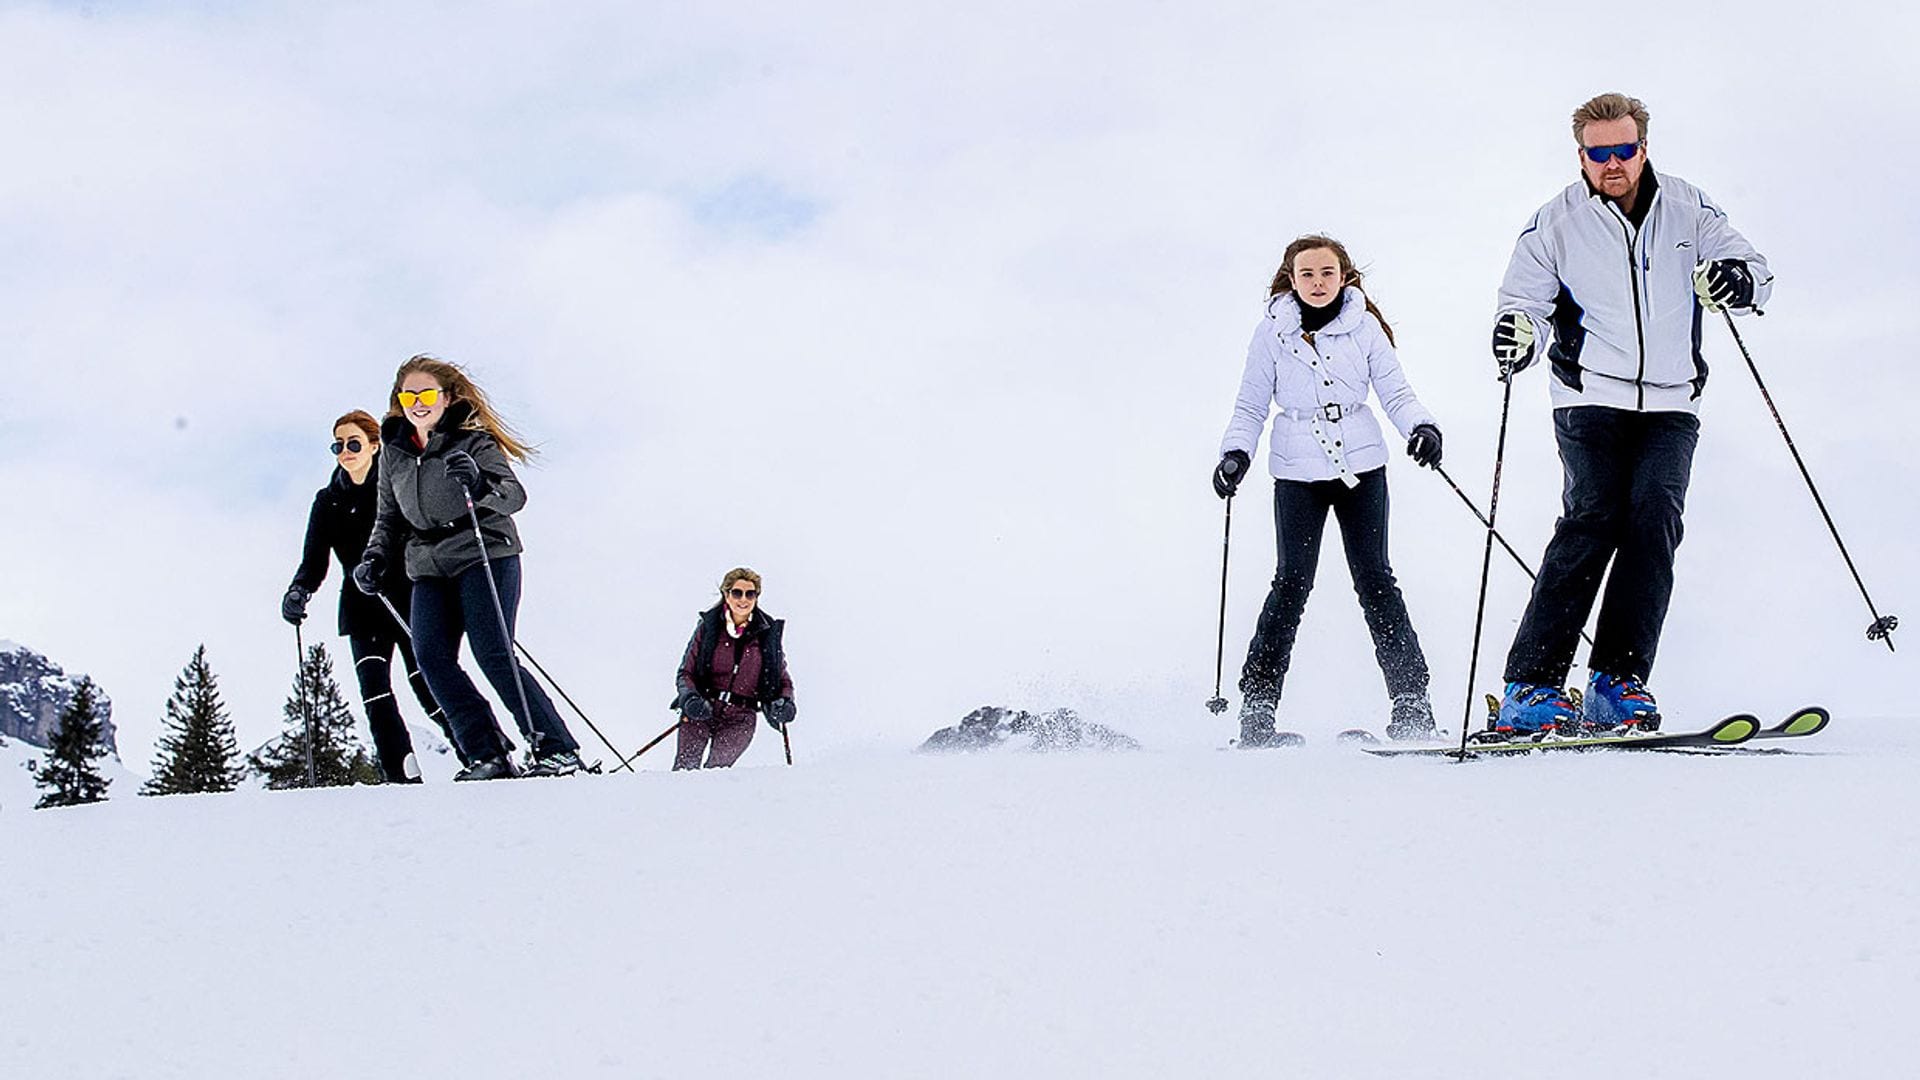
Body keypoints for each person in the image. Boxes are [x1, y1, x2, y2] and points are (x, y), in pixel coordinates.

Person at [1489, 92, 1771, 735]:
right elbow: (1521, 301)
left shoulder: (1689, 206)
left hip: (1673, 399)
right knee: (1593, 517)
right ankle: (1531, 686)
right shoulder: (1554, 223)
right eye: (1599, 153)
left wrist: (1736, 280)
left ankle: (1616, 681)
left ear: (1644, 146)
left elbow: (1755, 268)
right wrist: (1517, 332)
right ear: (1581, 155)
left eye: (1625, 149)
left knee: (1654, 521)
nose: (1613, 164)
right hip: (1589, 394)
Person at [1213, 235, 1444, 745]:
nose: (1318, 284)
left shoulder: (1364, 330)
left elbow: (1395, 391)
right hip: (1297, 472)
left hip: (1362, 467)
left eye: (1327, 273)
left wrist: (1420, 428)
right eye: (1307, 275)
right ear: (1291, 280)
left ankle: (1412, 705)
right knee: (1291, 583)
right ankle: (1257, 709)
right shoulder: (1270, 334)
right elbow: (1251, 405)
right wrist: (1236, 454)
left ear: (1344, 277)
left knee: (1377, 581)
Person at [354, 355, 586, 780]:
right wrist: (375, 557)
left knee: (492, 650)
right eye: (409, 395)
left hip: (484, 552)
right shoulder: (394, 452)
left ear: (446, 397)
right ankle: (488, 753)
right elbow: (387, 517)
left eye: (426, 394)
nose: (417, 403)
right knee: (431, 658)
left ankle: (557, 749)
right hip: (427, 563)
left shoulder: (474, 443)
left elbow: (513, 496)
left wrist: (479, 484)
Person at [281, 410, 492, 782]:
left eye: (353, 443)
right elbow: (314, 559)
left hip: (408, 596)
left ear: (374, 445)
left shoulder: (393, 485)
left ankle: (479, 754)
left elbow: (416, 529)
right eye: (338, 445)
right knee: (375, 693)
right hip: (362, 607)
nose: (345, 451)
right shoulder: (327, 501)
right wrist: (300, 590)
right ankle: (400, 773)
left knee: (427, 683)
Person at [671, 568, 796, 769]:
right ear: (726, 595)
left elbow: (783, 679)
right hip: (701, 709)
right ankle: (674, 800)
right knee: (685, 768)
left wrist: (786, 702)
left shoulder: (766, 635)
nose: (743, 599)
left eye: (750, 593)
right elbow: (686, 672)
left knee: (716, 774)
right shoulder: (709, 627)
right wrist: (690, 698)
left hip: (741, 718)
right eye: (737, 592)